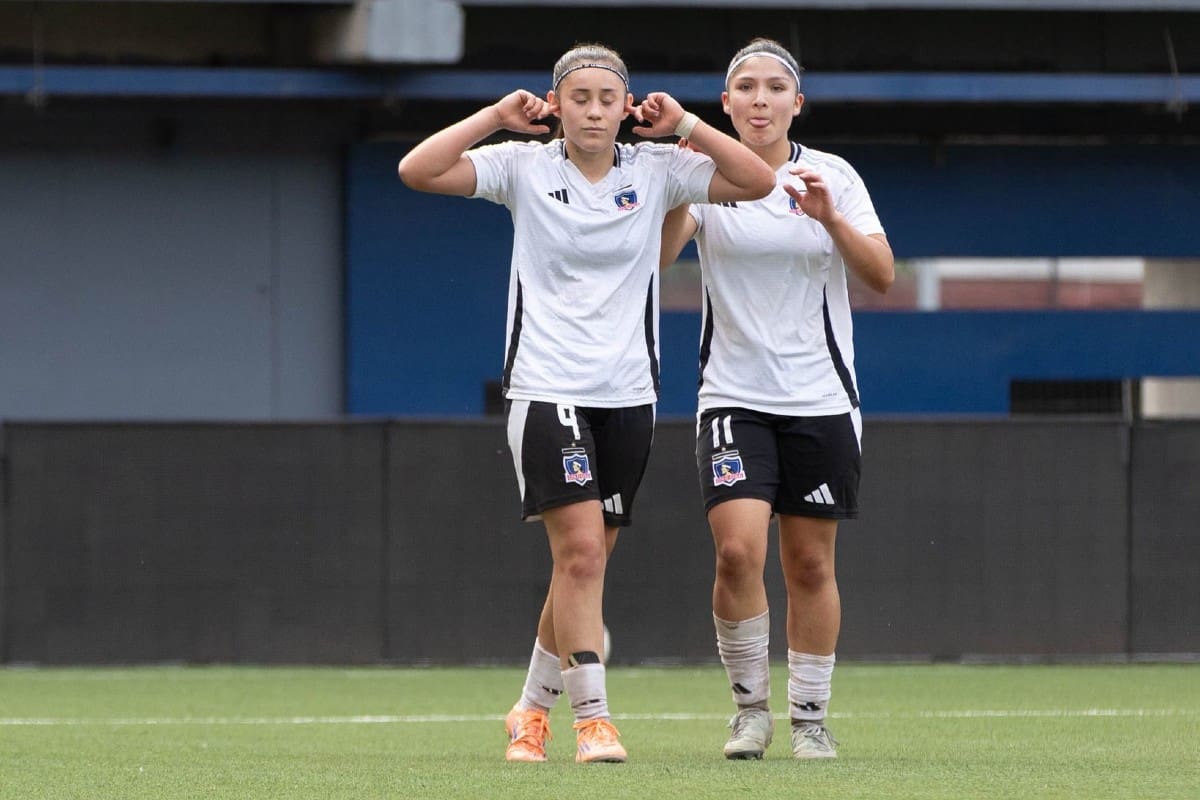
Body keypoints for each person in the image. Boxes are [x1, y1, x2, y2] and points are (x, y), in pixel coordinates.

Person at [398, 43, 775, 764]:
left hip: (628, 393)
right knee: (578, 553)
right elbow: (418, 170)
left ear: (627, 107)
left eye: (608, 99)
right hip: (547, 385)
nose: (595, 112)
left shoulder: (657, 170)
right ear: (556, 105)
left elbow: (757, 180)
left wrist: (686, 125)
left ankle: (529, 711)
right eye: (580, 98)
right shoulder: (523, 166)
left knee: (586, 563)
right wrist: (495, 116)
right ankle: (593, 721)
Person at [660, 37, 894, 760]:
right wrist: (676, 184)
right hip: (733, 396)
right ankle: (750, 712)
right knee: (737, 553)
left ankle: (811, 719)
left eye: (774, 88)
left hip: (820, 396)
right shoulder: (703, 174)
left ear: (798, 102)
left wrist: (828, 218)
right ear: (725, 103)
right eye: (745, 88)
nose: (760, 100)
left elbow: (882, 275)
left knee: (811, 565)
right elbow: (657, 258)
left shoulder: (834, 175)